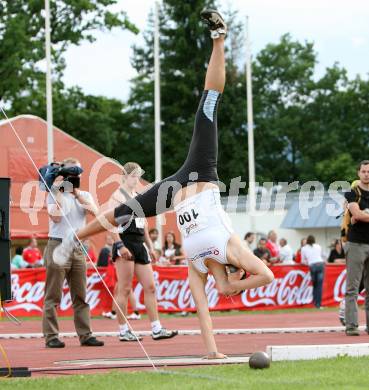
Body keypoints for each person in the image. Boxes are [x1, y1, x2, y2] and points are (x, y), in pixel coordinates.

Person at [53, 10, 273, 358]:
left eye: (222, 283)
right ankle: (220, 38)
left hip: (174, 191)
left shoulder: (197, 266)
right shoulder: (231, 249)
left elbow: (202, 310)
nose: (221, 284)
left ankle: (74, 238)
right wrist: (233, 285)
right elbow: (267, 276)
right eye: (223, 280)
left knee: (123, 212)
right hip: (200, 172)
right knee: (209, 104)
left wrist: (213, 351)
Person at [109, 162, 175, 340]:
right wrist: (119, 245)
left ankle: (156, 328)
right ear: (125, 176)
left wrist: (151, 246)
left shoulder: (137, 197)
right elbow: (110, 224)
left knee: (150, 287)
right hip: (125, 242)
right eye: (133, 176)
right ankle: (123, 330)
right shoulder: (117, 196)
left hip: (140, 244)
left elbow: (144, 224)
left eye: (138, 176)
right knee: (124, 288)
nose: (136, 180)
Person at [42, 157, 104, 348]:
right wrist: (61, 191)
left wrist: (76, 194)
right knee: (53, 296)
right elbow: (56, 217)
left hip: (78, 247)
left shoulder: (84, 194)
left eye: (76, 174)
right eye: (70, 174)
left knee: (81, 295)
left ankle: (85, 335)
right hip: (57, 245)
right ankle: (51, 336)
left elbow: (96, 214)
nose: (73, 177)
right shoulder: (52, 192)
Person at [344, 160, 369, 336]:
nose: (367, 174)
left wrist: (362, 216)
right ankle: (352, 326)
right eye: (364, 171)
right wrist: (359, 215)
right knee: (352, 288)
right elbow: (357, 214)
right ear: (358, 173)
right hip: (356, 244)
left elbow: (361, 216)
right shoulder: (352, 192)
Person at [301, 235, 325, 309]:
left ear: (307, 241)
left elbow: (302, 261)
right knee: (319, 286)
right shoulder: (318, 246)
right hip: (320, 265)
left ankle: (315, 303)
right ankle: (319, 304)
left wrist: (308, 263)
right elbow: (322, 256)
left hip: (313, 266)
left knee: (315, 285)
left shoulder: (304, 248)